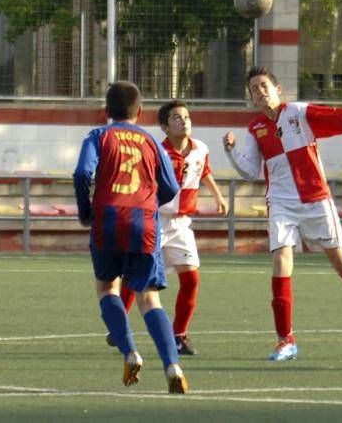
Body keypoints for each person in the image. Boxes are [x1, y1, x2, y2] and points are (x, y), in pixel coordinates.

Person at [222, 66, 342, 362]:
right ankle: (285, 340)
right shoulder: (254, 129)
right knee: (280, 261)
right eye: (254, 88)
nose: (259, 91)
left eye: (264, 85)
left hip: (315, 198)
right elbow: (251, 172)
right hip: (280, 201)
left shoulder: (298, 113)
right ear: (250, 97)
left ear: (278, 90)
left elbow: (339, 118)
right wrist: (230, 151)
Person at [73, 81, 189, 394]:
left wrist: (86, 211)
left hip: (107, 220)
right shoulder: (151, 142)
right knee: (149, 297)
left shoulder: (98, 135)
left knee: (107, 287)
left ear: (106, 111)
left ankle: (130, 352)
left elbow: (83, 173)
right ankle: (172, 365)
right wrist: (148, 201)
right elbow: (171, 187)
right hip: (144, 224)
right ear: (141, 112)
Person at [114, 100, 228, 356]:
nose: (184, 121)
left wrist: (218, 196)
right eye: (176, 117)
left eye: (186, 116)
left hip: (182, 224)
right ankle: (118, 326)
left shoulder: (201, 149)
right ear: (165, 127)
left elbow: (204, 171)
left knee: (191, 279)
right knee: (136, 278)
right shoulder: (156, 152)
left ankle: (179, 335)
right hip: (155, 221)